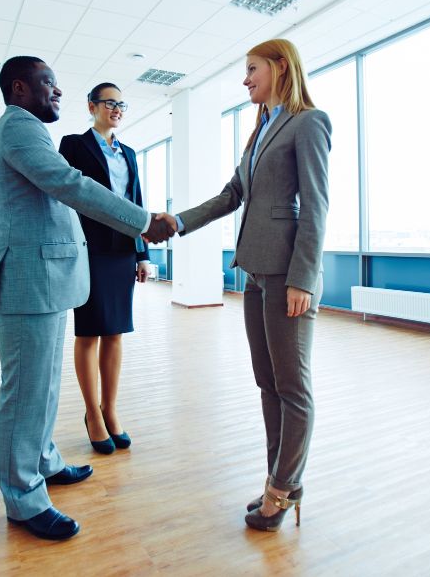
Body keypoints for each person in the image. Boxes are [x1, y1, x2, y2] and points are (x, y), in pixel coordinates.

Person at [0, 56, 173, 541]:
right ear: (20, 88)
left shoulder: (28, 128)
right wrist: (142, 220)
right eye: (49, 84)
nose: (57, 92)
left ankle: (42, 461)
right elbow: (70, 185)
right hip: (27, 279)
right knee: (24, 392)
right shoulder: (20, 129)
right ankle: (22, 499)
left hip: (44, 278)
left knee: (42, 385)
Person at [158, 38, 331, 532]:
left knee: (293, 386)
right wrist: (179, 221)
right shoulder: (260, 131)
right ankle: (280, 477)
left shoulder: (309, 123)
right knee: (267, 382)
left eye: (252, 68)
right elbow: (233, 194)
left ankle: (283, 488)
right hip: (254, 272)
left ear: (279, 67)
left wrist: (303, 278)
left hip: (287, 277)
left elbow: (316, 206)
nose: (245, 78)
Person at [57, 83, 146, 455]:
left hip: (122, 250)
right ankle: (92, 412)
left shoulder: (128, 152)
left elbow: (136, 201)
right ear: (92, 106)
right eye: (110, 103)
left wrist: (141, 253)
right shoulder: (73, 145)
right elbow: (64, 196)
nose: (117, 109)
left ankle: (111, 409)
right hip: (89, 249)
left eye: (121, 104)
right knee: (90, 331)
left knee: (116, 332)